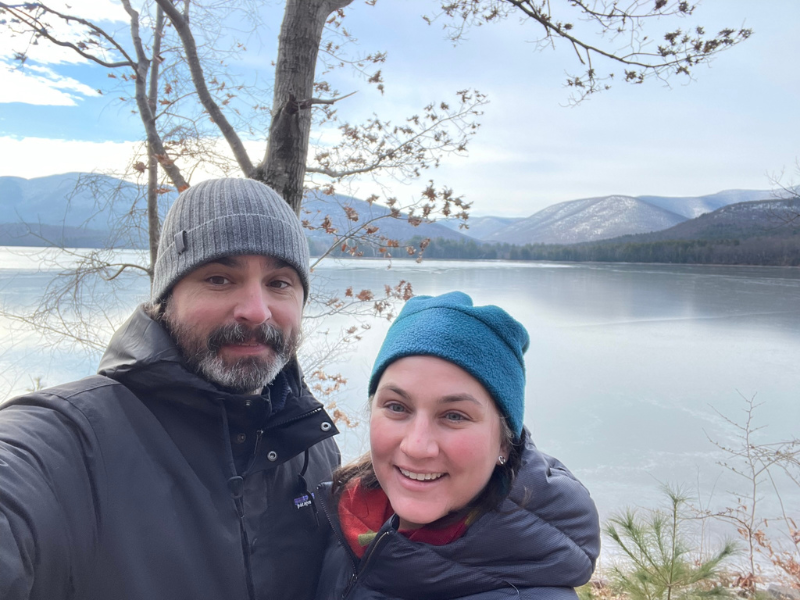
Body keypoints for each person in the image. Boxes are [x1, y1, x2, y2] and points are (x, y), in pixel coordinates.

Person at [0, 178, 340, 600]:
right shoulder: (70, 441)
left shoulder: (313, 448)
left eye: (280, 283)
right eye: (219, 278)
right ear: (166, 298)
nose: (256, 310)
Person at [314, 291, 600, 600]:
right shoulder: (345, 519)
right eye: (397, 407)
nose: (417, 446)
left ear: (505, 442)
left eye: (454, 415)